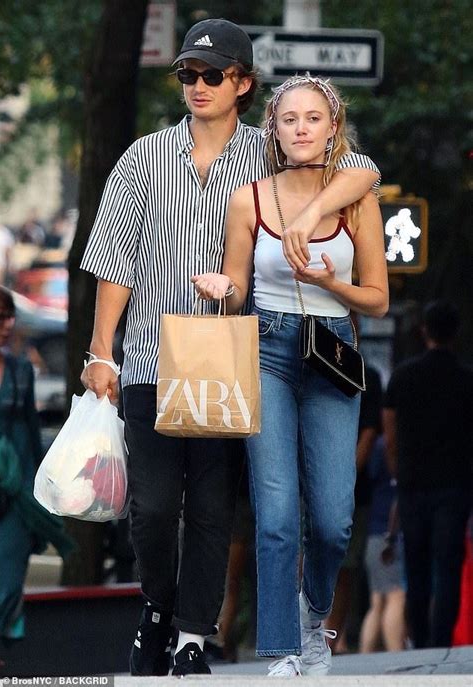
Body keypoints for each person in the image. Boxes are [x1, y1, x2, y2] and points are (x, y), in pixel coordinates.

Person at [80, 18, 380, 678]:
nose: (198, 85)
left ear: (243, 83)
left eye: (213, 74)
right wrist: (101, 352)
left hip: (234, 361)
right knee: (154, 507)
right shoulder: (142, 158)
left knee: (215, 508)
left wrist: (304, 216)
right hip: (152, 360)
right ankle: (158, 606)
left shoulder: (268, 156)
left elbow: (359, 166)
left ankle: (193, 635)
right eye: (188, 73)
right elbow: (114, 261)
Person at [193, 73, 389, 676]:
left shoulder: (357, 197)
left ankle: (314, 618)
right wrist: (223, 290)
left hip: (332, 354)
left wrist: (330, 281)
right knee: (275, 514)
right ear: (273, 130)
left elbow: (378, 300)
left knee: (333, 520)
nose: (301, 129)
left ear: (334, 129)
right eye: (289, 119)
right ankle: (280, 649)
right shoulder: (250, 198)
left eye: (313, 118)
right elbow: (238, 288)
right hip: (267, 351)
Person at [383, 300, 473, 649]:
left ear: (424, 331)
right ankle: (440, 638)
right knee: (448, 565)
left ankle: (419, 638)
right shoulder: (467, 379)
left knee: (416, 563)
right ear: (456, 333)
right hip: (454, 484)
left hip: (413, 482)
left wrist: (397, 471)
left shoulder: (404, 376)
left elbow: (390, 432)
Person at [0, 287, 73, 662]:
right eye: (0, 318)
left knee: (10, 577)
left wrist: (38, 486)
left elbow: (30, 430)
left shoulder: (20, 370)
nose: (7, 325)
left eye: (10, 317)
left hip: (15, 494)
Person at [327, 364, 383, 653]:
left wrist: (346, 476)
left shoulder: (367, 374)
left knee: (346, 562)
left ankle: (331, 637)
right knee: (308, 554)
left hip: (352, 486)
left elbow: (371, 431)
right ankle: (315, 630)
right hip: (319, 475)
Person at [359, 436, 406, 652]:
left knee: (377, 601)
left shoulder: (376, 448)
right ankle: (395, 653)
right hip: (390, 533)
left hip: (374, 532)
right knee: (396, 596)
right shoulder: (392, 446)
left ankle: (365, 655)